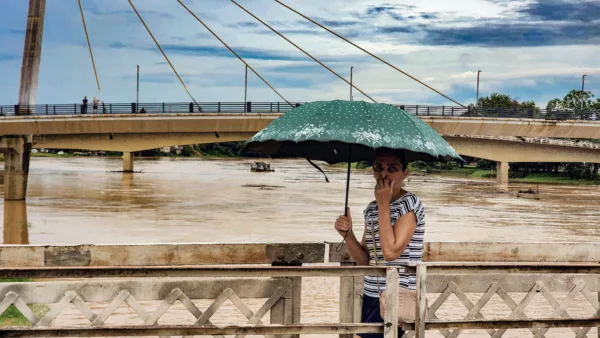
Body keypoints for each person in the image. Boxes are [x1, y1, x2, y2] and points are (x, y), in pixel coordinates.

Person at [334, 148, 425, 338]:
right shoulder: (371, 209)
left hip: (398, 293)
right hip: (371, 293)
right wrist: (348, 235)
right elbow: (366, 261)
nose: (384, 174)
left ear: (405, 173)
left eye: (392, 168)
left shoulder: (410, 204)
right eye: (378, 168)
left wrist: (384, 205)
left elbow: (391, 252)